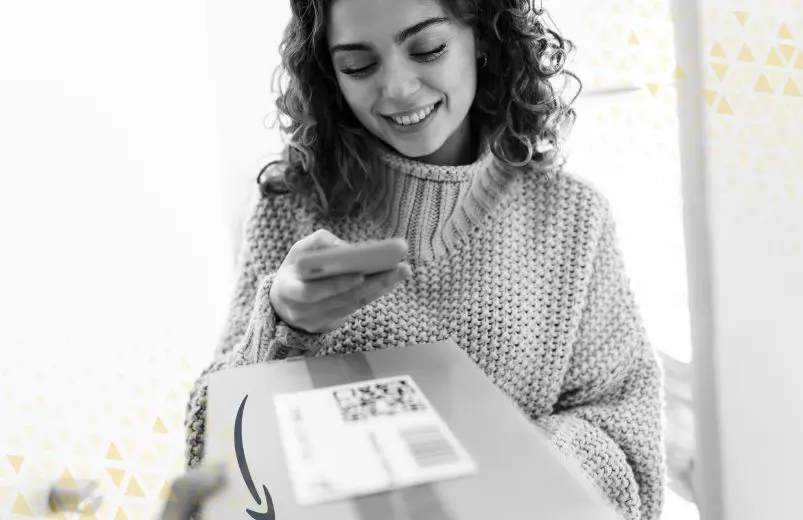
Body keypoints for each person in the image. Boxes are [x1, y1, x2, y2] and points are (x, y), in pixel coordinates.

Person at [183, 0, 666, 519]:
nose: (396, 88)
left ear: (482, 38)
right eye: (357, 66)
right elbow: (209, 451)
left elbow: (626, 438)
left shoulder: (572, 219)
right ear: (329, 74)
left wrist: (496, 470)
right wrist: (278, 323)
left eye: (428, 49)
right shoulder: (292, 208)